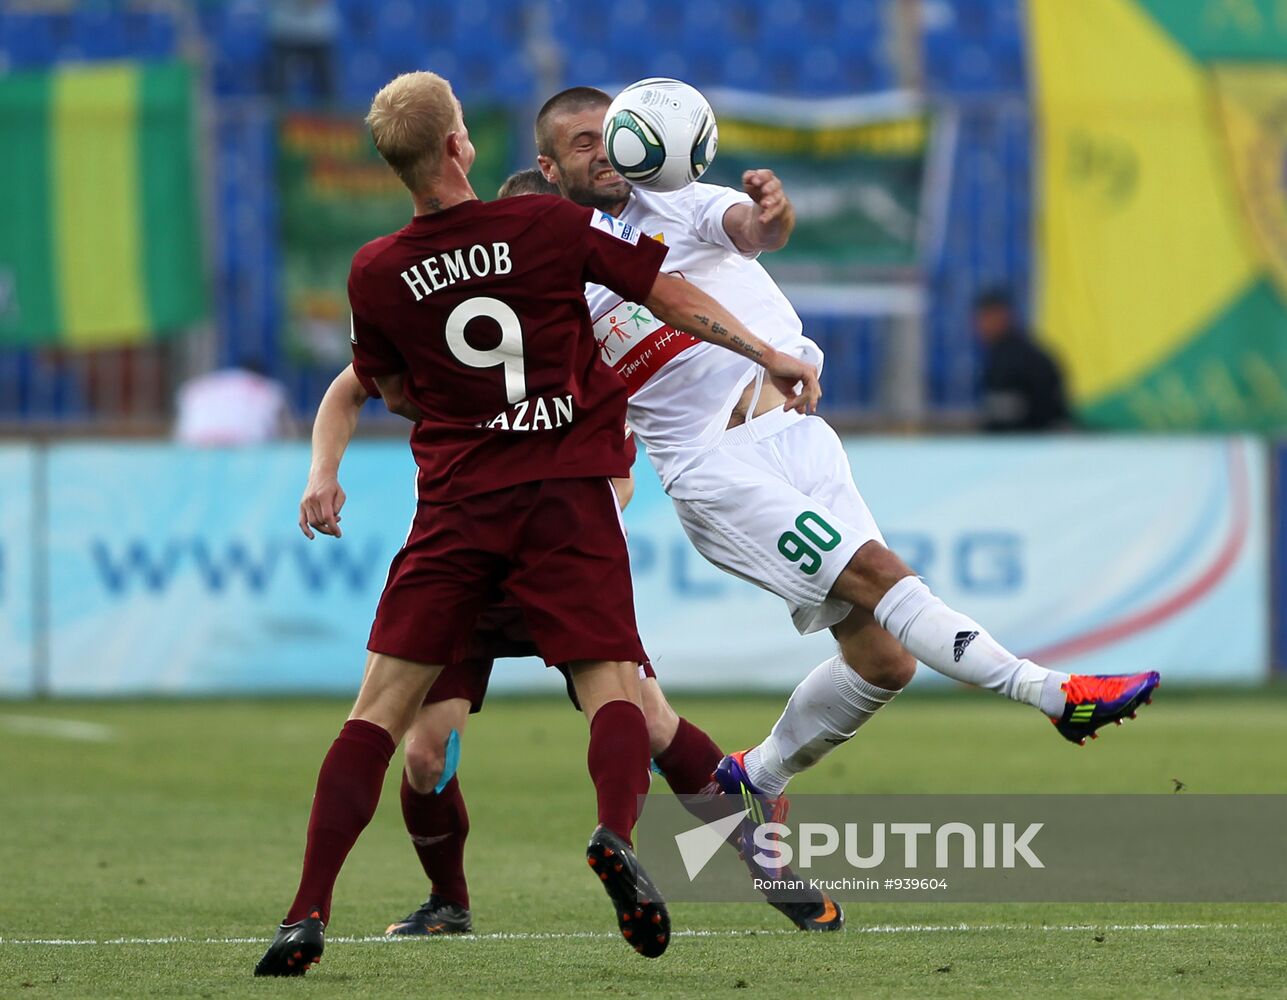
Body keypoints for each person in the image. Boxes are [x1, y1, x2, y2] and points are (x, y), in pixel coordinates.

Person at [254, 70, 821, 977]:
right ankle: (552, 858)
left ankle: (305, 911)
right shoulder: (556, 240)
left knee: (386, 718)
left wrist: (367, 447)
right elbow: (675, 295)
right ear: (463, 147)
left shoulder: (377, 271)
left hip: (461, 514)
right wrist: (768, 354)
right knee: (564, 717)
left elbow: (380, 385)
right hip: (559, 507)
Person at [531, 87, 1159, 839]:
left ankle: (752, 779)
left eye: (609, 134)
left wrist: (768, 213)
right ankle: (1056, 695)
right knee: (878, 572)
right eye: (580, 144)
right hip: (715, 468)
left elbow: (754, 229)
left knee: (885, 660)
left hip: (798, 432)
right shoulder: (563, 275)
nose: (603, 151)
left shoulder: (681, 198)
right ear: (546, 168)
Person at [974, 287, 1072, 432]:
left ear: (1002, 316)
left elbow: (1010, 422)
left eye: (985, 317)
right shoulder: (1000, 355)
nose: (979, 325)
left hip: (1031, 446)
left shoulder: (1018, 359)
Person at [174, 361, 294, 445]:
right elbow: (289, 436)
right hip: (245, 444)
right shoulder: (268, 389)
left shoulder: (198, 386)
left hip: (195, 443)